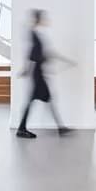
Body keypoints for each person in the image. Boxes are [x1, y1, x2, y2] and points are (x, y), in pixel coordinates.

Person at [16, 9, 72, 139]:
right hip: (37, 74)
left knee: (44, 99)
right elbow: (32, 54)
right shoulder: (33, 34)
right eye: (43, 18)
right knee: (37, 100)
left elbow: (41, 53)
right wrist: (28, 67)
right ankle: (22, 129)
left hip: (38, 72)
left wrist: (63, 59)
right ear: (39, 19)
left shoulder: (36, 34)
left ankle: (60, 128)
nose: (45, 20)